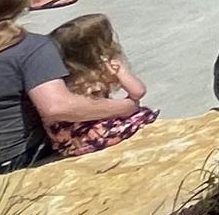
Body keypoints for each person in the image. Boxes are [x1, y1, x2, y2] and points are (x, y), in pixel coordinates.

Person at [0, 0, 144, 174]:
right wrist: (122, 107)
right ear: (24, 5)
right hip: (12, 155)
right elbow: (57, 107)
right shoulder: (31, 48)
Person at [45, 13, 156, 155]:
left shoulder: (56, 74)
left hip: (67, 142)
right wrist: (119, 71)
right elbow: (138, 92)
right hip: (97, 131)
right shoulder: (104, 68)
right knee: (143, 113)